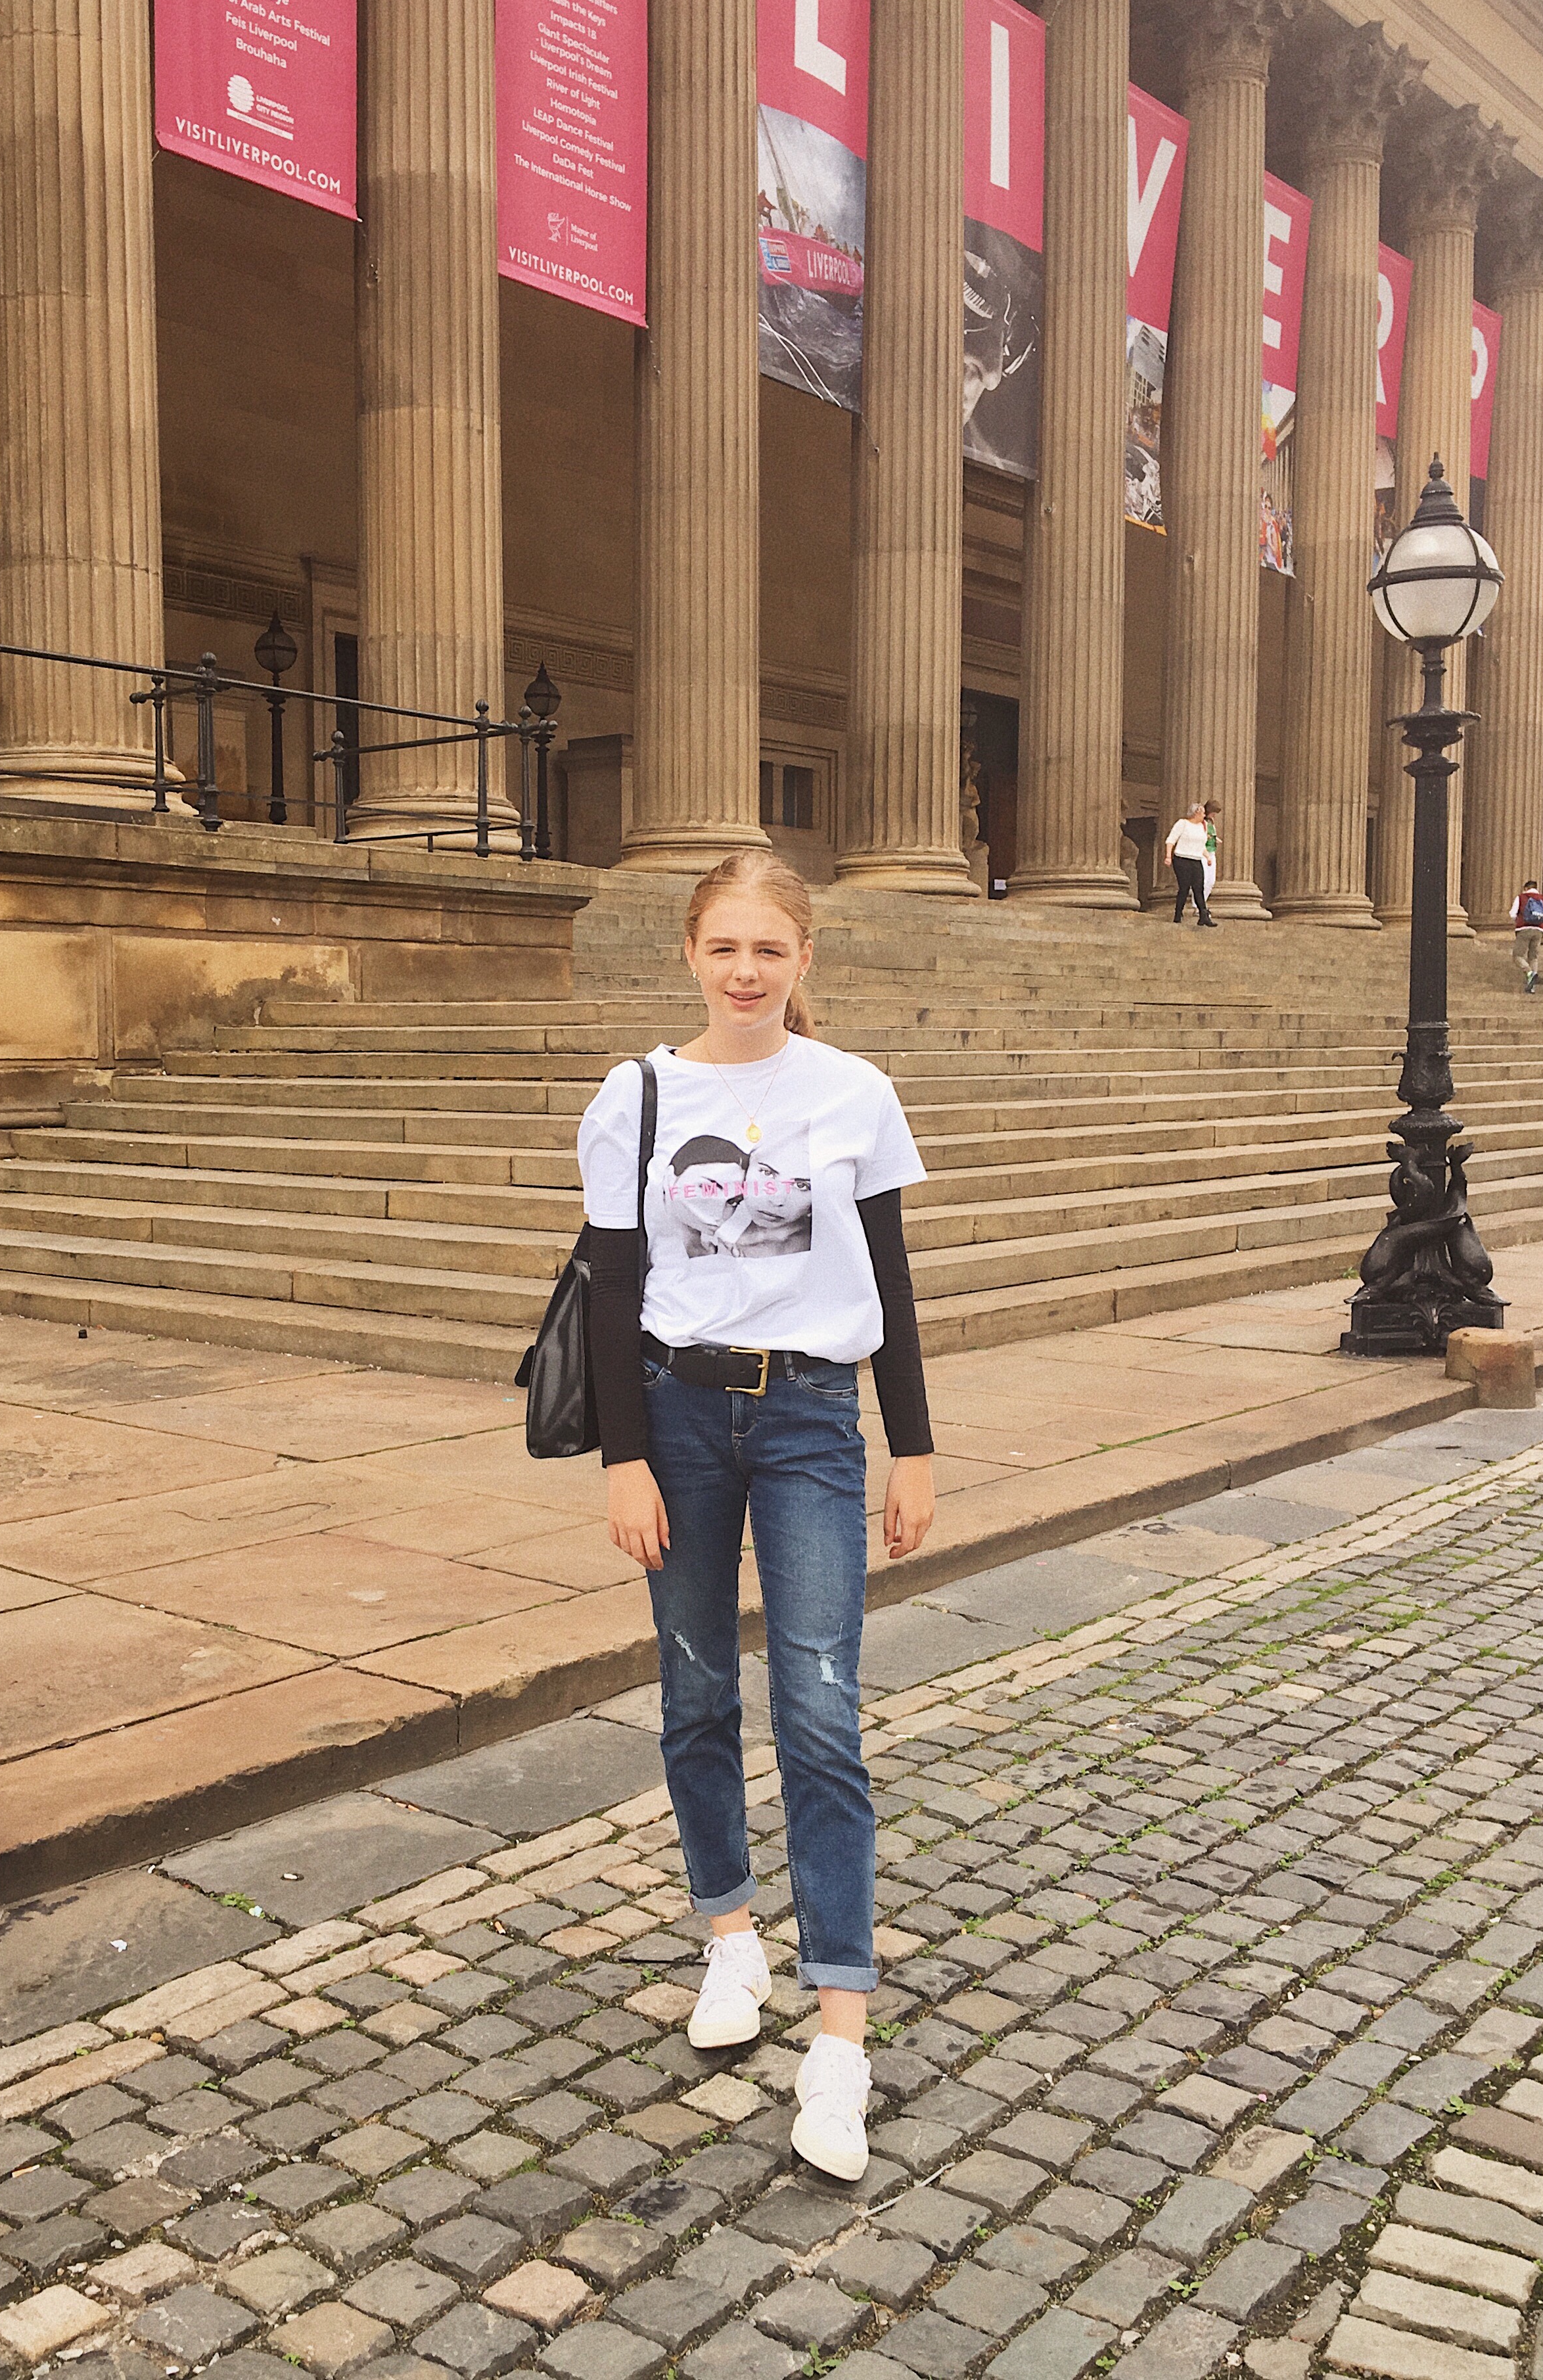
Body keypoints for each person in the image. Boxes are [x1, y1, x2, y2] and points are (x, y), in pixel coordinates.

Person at [578, 850, 936, 2184]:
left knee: (821, 1712)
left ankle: (838, 2030)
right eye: (724, 948)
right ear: (688, 952)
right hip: (674, 1419)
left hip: (805, 1426)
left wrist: (912, 1445)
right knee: (690, 1698)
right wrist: (624, 1462)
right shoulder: (636, 1097)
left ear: (803, 962)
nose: (745, 973)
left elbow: (886, 1277)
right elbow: (613, 1294)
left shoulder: (853, 1093)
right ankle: (729, 1934)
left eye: (768, 952)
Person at [1164, 802, 1216, 926]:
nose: (1204, 815)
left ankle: (1204, 915)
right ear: (1196, 813)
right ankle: (1178, 913)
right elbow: (1171, 840)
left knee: (1199, 887)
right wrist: (1168, 856)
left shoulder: (1201, 827)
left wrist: (1208, 857)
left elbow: (1201, 845)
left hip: (1196, 860)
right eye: (1203, 812)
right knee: (1185, 887)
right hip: (1182, 859)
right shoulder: (1183, 824)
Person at [1513, 878, 1543, 991]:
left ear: (1526, 888)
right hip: (1539, 930)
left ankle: (1529, 972)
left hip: (1524, 928)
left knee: (1518, 956)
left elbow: (1512, 913)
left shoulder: (1521, 897)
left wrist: (1517, 921)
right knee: (1534, 957)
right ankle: (1532, 987)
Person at [1202, 799, 1222, 906]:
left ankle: (1203, 902)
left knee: (1211, 881)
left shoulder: (1211, 823)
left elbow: (1211, 835)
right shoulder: (1202, 822)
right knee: (1204, 880)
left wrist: (1216, 839)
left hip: (1211, 851)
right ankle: (1198, 905)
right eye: (1214, 812)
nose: (1215, 815)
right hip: (1203, 852)